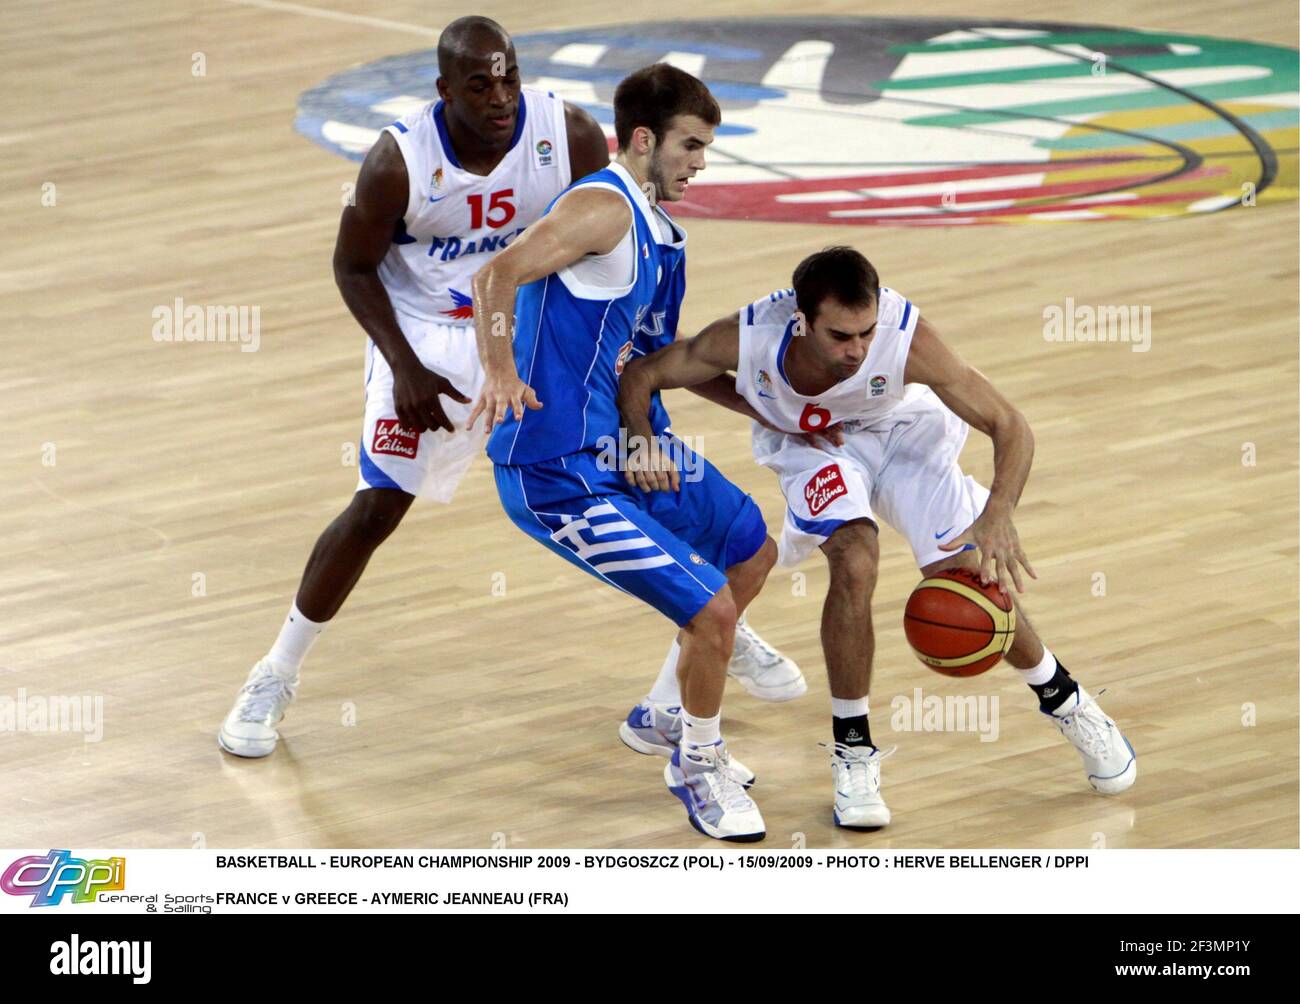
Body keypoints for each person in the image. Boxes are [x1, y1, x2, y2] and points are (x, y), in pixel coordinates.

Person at [617, 245, 1137, 830]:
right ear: (801, 320)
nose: (857, 349)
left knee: (965, 578)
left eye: (865, 333)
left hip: (905, 433)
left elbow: (1009, 424)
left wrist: (999, 512)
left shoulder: (906, 338)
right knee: (856, 559)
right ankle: (853, 751)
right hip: (819, 448)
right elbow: (646, 371)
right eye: (840, 336)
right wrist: (648, 437)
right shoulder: (749, 335)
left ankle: (1067, 701)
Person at [218, 16, 611, 757]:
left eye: (509, 78)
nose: (499, 98)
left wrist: (596, 346)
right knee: (377, 507)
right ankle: (275, 673)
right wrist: (402, 365)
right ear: (444, 90)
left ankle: (716, 624)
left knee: (612, 478)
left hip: (525, 328)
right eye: (479, 84)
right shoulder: (397, 162)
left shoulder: (573, 136)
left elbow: (604, 240)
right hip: (425, 333)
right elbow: (352, 267)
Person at [470, 64, 786, 841]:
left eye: (705, 147)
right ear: (642, 139)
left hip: (613, 444)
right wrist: (502, 371)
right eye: (689, 145)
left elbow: (650, 362)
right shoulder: (603, 209)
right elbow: (495, 275)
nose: (700, 162)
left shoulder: (655, 230)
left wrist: (772, 413)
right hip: (554, 472)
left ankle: (661, 715)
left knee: (750, 550)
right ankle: (696, 765)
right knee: (712, 611)